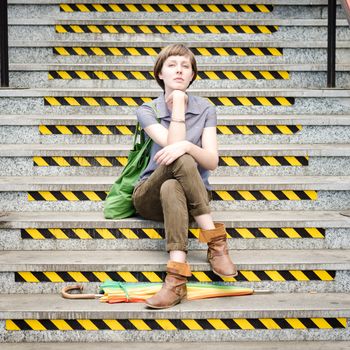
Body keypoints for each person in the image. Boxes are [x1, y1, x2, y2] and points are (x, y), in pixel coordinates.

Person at [132, 44, 237, 309]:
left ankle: (176, 279)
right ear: (159, 74)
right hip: (149, 194)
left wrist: (189, 145)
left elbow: (212, 161)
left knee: (173, 184)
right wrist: (178, 105)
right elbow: (171, 148)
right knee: (178, 159)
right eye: (172, 65)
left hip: (189, 197)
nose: (179, 70)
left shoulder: (206, 109)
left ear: (192, 75)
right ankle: (215, 242)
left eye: (185, 66)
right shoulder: (148, 110)